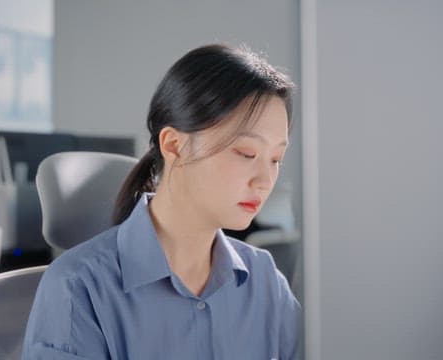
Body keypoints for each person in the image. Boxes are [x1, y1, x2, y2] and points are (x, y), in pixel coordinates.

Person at [22, 44, 301, 359]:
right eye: (246, 153)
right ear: (175, 145)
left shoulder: (264, 280)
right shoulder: (77, 287)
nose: (264, 180)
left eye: (276, 159)